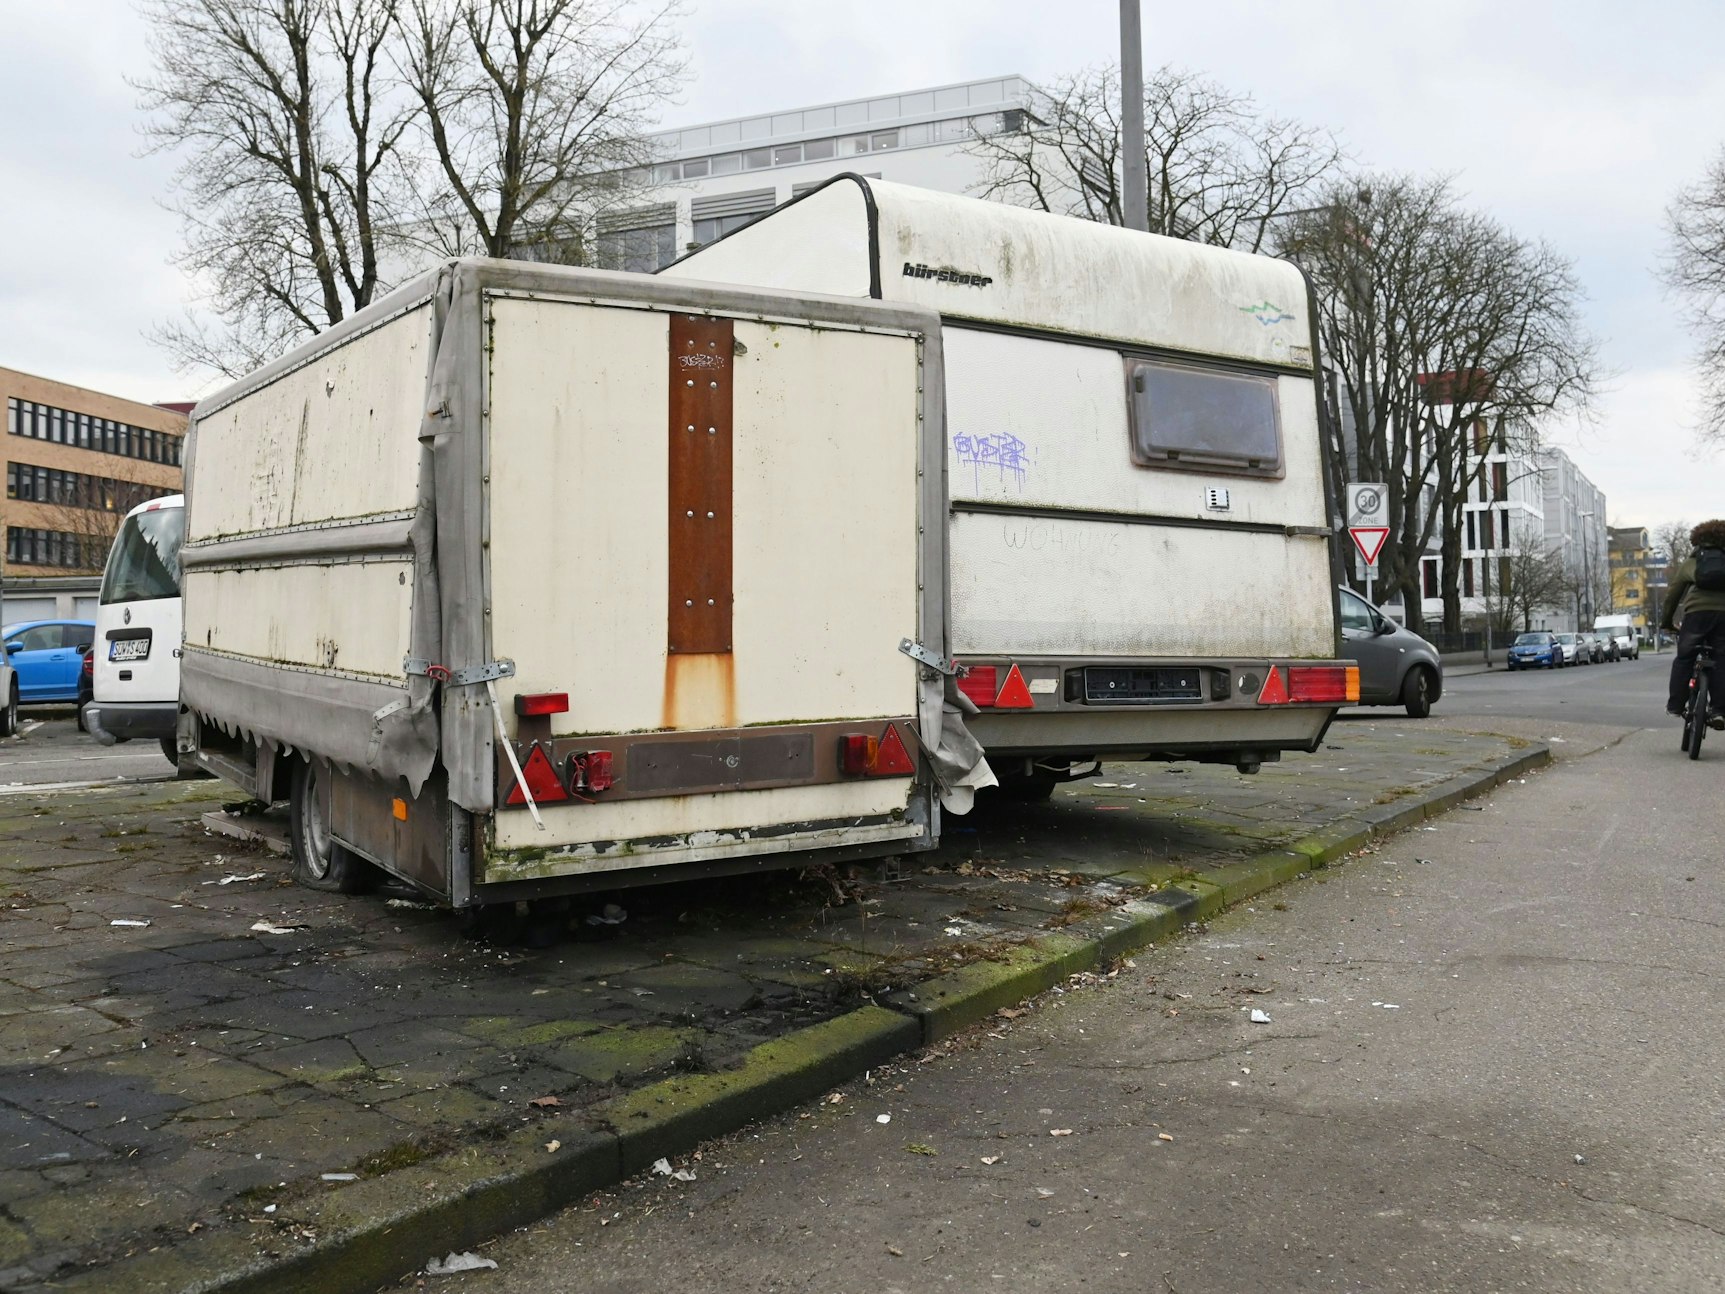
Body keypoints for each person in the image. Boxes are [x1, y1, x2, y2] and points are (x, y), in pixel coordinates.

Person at [1662, 519, 1725, 723]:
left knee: (1685, 658)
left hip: (1696, 615)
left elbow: (1673, 595)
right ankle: (1718, 711)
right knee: (1721, 661)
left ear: (1698, 540)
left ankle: (1675, 705)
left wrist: (1666, 622)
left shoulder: (1693, 561)